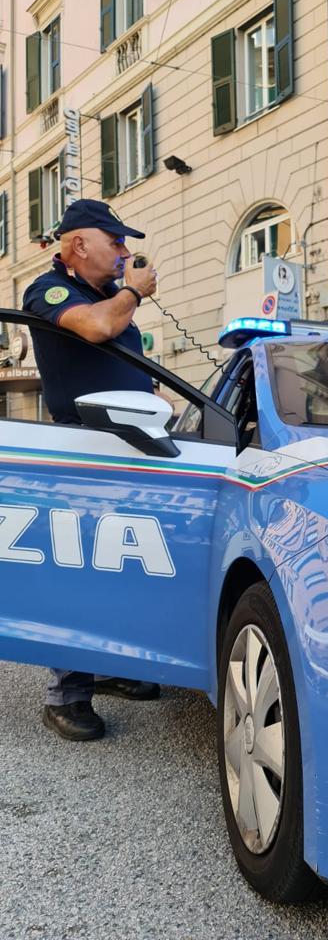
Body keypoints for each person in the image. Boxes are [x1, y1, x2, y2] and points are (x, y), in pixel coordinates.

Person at [22, 199, 161, 742]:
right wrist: (133, 293)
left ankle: (107, 667)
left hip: (126, 447)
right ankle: (67, 693)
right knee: (78, 571)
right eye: (116, 242)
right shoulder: (51, 290)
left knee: (120, 564)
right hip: (83, 450)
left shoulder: (110, 297)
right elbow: (99, 329)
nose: (125, 252)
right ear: (79, 245)